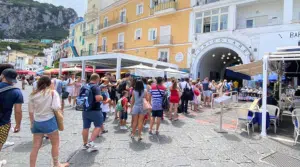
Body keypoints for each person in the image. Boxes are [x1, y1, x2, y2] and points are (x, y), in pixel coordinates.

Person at [28, 76, 69, 167]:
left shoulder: (33, 95)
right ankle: (56, 164)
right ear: (49, 84)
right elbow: (56, 107)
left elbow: (31, 111)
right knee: (55, 144)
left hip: (37, 122)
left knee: (35, 147)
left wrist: (32, 122)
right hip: (49, 120)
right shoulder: (52, 93)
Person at [0, 69, 23, 154]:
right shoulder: (16, 92)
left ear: (2, 76)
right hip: (3, 124)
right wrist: (18, 124)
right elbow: (18, 111)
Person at [81, 73, 104, 152]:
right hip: (95, 110)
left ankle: (85, 144)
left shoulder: (84, 86)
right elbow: (98, 98)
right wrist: (102, 97)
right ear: (97, 79)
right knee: (98, 125)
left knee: (85, 127)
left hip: (85, 110)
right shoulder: (96, 87)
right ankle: (91, 142)